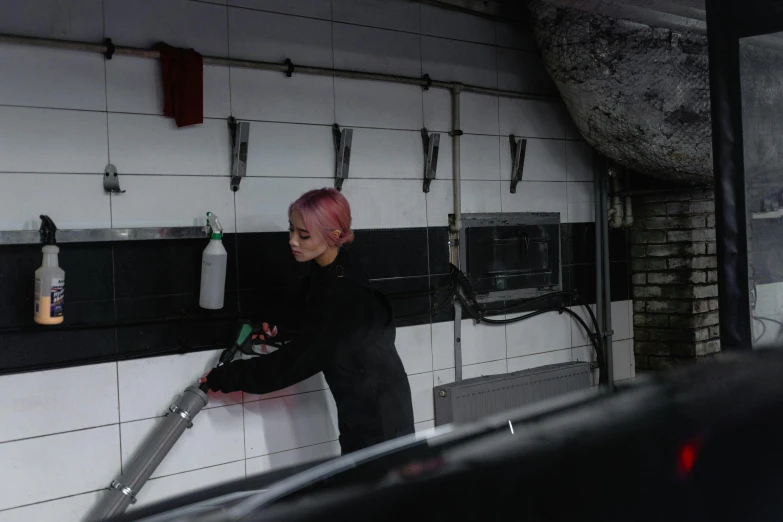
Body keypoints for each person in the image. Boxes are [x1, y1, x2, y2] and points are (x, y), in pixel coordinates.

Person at [204, 188, 415, 454]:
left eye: (303, 235)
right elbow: (312, 298)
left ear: (335, 235)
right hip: (365, 403)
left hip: (380, 419)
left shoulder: (344, 295)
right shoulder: (336, 266)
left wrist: (223, 378)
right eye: (291, 230)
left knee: (378, 489)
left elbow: (290, 365)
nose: (293, 241)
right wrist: (281, 323)